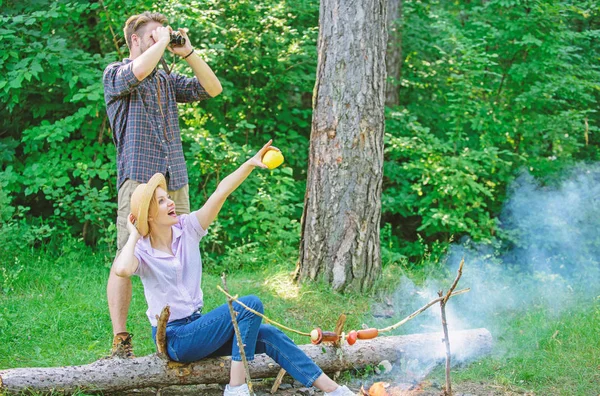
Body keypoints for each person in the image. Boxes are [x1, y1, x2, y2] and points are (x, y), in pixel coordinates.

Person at [112, 141, 355, 396]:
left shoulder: (188, 229)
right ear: (149, 215)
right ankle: (236, 387)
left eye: (168, 197)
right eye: (161, 202)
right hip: (177, 339)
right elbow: (122, 270)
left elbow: (220, 193)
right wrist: (133, 234)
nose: (170, 202)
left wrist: (249, 164)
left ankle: (333, 390)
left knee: (269, 334)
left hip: (200, 327)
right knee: (249, 304)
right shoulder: (142, 250)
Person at [103, 11, 222, 357]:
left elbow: (212, 89)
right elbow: (138, 71)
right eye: (155, 37)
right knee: (126, 258)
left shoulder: (166, 81)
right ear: (136, 41)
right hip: (139, 181)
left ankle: (186, 326)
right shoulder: (115, 74)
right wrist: (162, 41)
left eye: (165, 36)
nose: (163, 41)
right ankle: (121, 338)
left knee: (183, 251)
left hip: (175, 181)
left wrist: (188, 53)